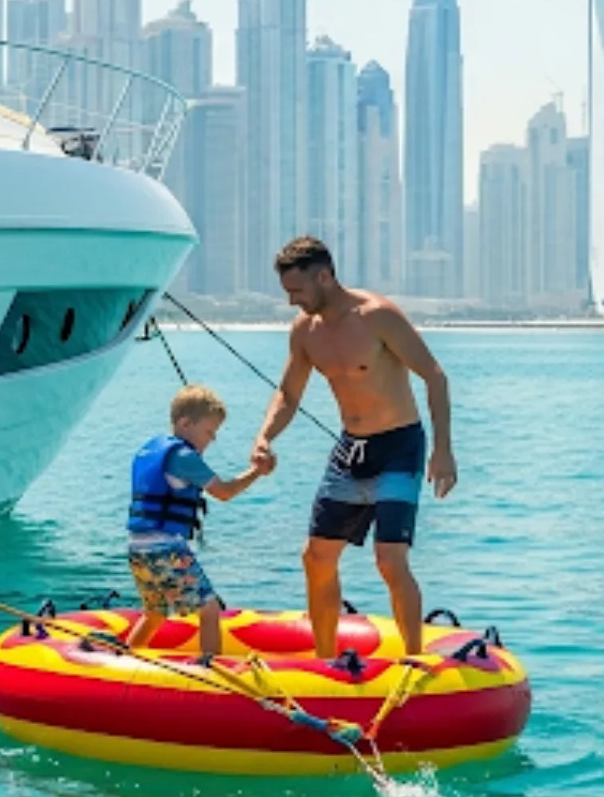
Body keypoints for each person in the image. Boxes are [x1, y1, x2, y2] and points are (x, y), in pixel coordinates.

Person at [250, 235, 455, 658]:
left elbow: (434, 375)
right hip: (350, 451)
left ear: (324, 276)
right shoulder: (305, 331)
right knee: (316, 558)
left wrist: (443, 450)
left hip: (399, 446)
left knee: (389, 560)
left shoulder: (377, 316)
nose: (292, 301)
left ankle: (413, 663)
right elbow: (288, 394)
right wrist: (265, 437)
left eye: (298, 291)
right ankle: (326, 662)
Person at [126, 383, 272, 659]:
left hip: (136, 548)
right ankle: (212, 671)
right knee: (210, 609)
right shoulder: (184, 457)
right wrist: (257, 472)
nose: (211, 440)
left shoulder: (152, 450)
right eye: (208, 432)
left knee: (155, 613)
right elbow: (224, 492)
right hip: (165, 548)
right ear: (184, 423)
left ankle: (126, 655)